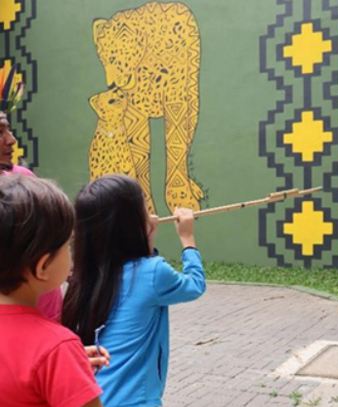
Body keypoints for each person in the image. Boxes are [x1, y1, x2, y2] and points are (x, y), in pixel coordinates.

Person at [62, 174, 206, 407]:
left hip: (92, 397)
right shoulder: (153, 273)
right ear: (133, 224)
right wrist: (188, 239)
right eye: (145, 208)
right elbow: (195, 285)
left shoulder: (81, 273)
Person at [0, 174, 103, 407]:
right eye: (67, 244)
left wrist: (64, 370)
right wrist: (61, 360)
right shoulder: (57, 347)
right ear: (43, 266)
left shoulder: (56, 353)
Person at [0, 111, 64, 321]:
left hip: (49, 313)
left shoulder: (24, 178)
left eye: (8, 129)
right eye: (0, 132)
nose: (11, 139)